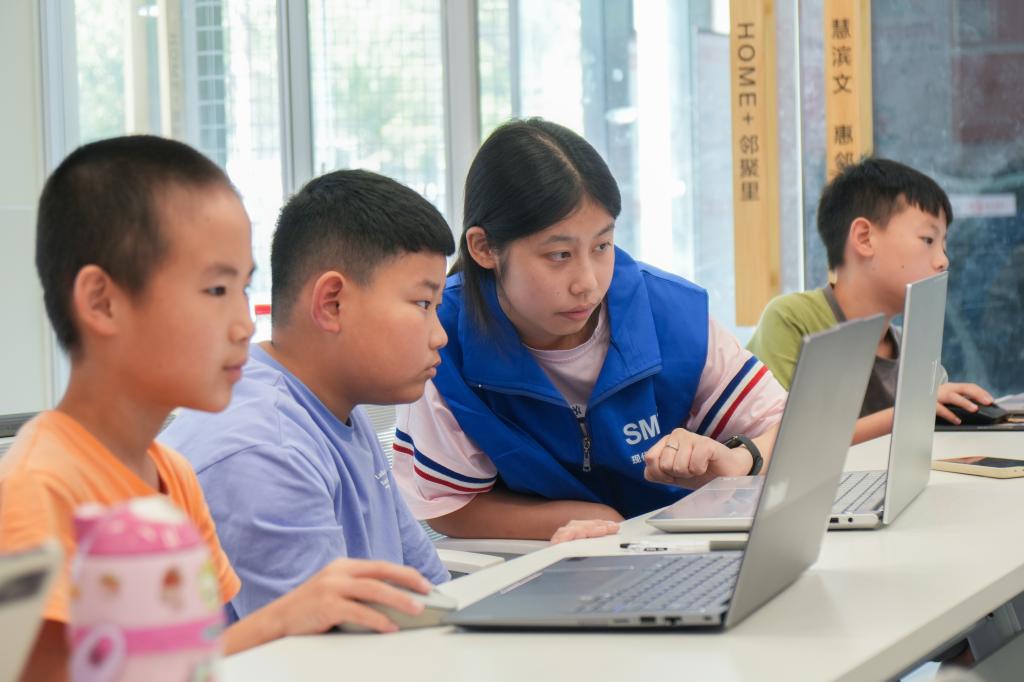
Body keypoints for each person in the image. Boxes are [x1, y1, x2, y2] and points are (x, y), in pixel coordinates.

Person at [0, 136, 435, 681]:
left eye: (243, 288)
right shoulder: (38, 488)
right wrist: (284, 620)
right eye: (215, 290)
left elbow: (188, 665)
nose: (244, 325)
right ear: (102, 302)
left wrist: (286, 619)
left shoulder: (172, 475)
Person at [392, 118, 787, 541]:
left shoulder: (666, 312)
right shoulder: (443, 340)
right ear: (484, 248)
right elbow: (448, 506)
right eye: (559, 255)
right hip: (544, 565)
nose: (588, 283)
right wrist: (594, 519)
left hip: (679, 548)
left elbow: (790, 425)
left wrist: (741, 460)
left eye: (602, 246)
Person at [159, 169, 454, 620]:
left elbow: (430, 592)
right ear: (332, 303)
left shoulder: (337, 407)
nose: (440, 336)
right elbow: (321, 651)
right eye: (422, 304)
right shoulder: (264, 449)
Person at [747, 158, 993, 442]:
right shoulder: (792, 319)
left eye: (944, 245)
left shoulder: (914, 350)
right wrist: (909, 411)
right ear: (864, 238)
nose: (943, 261)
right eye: (928, 240)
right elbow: (786, 443)